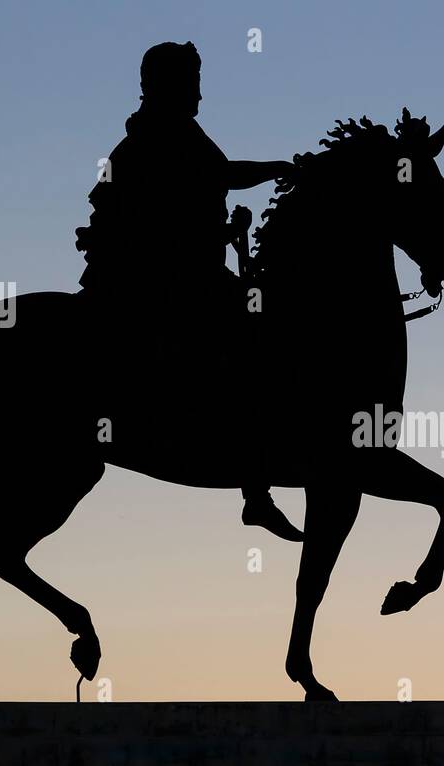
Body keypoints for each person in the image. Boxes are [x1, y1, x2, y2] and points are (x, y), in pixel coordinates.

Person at [75, 41, 302, 541]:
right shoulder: (161, 134)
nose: (200, 92)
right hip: (164, 283)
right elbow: (208, 188)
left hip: (179, 273)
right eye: (193, 81)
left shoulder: (170, 130)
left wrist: (226, 229)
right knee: (256, 338)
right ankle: (255, 488)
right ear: (170, 84)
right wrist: (279, 170)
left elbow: (202, 192)